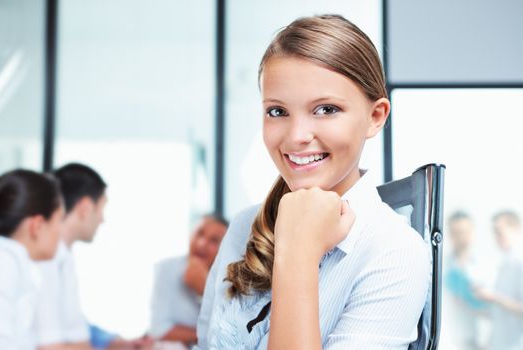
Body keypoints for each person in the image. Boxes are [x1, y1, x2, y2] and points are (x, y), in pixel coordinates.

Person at [196, 14, 430, 349]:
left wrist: (298, 253)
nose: (297, 136)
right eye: (277, 111)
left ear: (375, 116)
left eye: (326, 109)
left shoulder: (394, 253)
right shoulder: (244, 226)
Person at [34, 163, 151, 350]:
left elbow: (72, 323)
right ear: (86, 208)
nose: (102, 219)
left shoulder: (63, 256)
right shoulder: (45, 260)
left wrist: (113, 342)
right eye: (101, 208)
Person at [0, 169, 64, 349]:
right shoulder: (5, 262)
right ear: (38, 225)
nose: (60, 233)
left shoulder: (14, 262)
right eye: (59, 221)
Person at [149, 214, 228, 347]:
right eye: (199, 234)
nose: (202, 244)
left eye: (214, 240)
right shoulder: (166, 268)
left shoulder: (229, 280)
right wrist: (204, 335)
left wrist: (204, 290)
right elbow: (158, 330)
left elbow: (229, 331)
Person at [476, 210, 523, 350]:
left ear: (516, 229)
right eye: (494, 232)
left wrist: (494, 297)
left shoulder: (520, 263)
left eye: (499, 231)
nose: (496, 237)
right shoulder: (505, 264)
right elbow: (503, 313)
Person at [441, 211, 484, 350]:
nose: (462, 237)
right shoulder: (440, 267)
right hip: (447, 342)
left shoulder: (485, 268)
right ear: (450, 234)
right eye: (457, 232)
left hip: (477, 341)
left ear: (472, 232)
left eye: (465, 232)